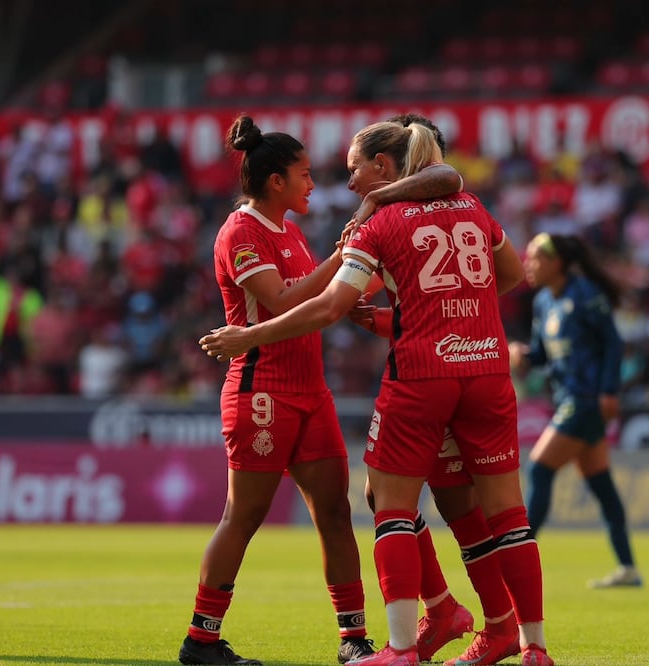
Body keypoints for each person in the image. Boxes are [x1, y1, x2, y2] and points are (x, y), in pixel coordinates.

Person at [200, 121, 553, 666]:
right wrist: (411, 311)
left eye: (351, 171)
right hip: (477, 371)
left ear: (384, 168)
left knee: (383, 506)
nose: (338, 184)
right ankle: (521, 640)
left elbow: (327, 304)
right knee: (494, 513)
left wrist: (362, 277)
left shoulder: (376, 221)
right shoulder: (469, 203)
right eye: (310, 174)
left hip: (413, 381)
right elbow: (497, 274)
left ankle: (400, 642)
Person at [177, 115, 375, 666]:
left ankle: (353, 640)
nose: (313, 184)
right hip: (262, 389)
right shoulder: (240, 232)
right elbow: (285, 302)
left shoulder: (289, 230)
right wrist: (342, 258)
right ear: (275, 181)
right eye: (305, 174)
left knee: (335, 513)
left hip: (311, 391)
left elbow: (314, 304)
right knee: (244, 515)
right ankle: (202, 640)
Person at [348, 113, 520, 665]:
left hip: (436, 376)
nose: (350, 183)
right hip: (457, 368)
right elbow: (409, 301)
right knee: (436, 502)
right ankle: (462, 612)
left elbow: (447, 180)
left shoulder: (413, 209)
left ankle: (487, 620)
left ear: (390, 164)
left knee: (442, 504)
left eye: (357, 171)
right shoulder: (440, 211)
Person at [510, 232, 642, 588]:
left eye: (536, 256)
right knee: (600, 484)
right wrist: (522, 354)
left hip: (585, 400)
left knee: (539, 469)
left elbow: (613, 344)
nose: (528, 263)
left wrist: (609, 391)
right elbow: (541, 355)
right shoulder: (543, 302)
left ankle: (518, 561)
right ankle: (628, 569)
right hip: (567, 397)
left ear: (557, 262)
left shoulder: (585, 295)